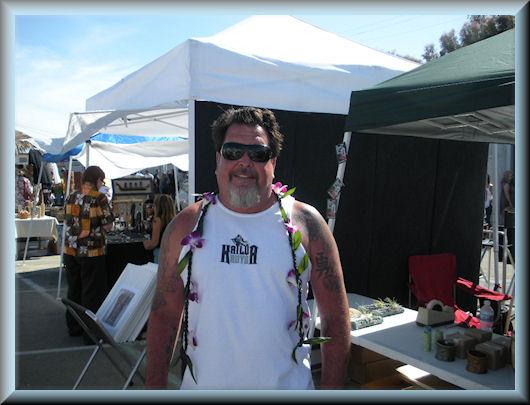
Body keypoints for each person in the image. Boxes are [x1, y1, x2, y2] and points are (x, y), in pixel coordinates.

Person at [145, 107, 350, 389]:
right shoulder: (185, 226)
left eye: (258, 153)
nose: (244, 162)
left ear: (273, 162)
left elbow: (335, 319)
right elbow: (165, 313)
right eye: (232, 152)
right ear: (218, 158)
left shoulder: (307, 224)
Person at [63, 165, 115, 341]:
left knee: (74, 289)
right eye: (102, 181)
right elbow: (108, 225)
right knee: (92, 292)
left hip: (71, 249)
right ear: (97, 179)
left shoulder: (72, 195)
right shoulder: (99, 197)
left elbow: (68, 221)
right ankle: (90, 333)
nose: (102, 184)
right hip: (91, 251)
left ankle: (74, 326)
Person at [143, 194, 176, 264]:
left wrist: (145, 243)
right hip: (172, 251)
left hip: (160, 253)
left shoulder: (157, 220)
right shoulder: (174, 219)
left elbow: (154, 243)